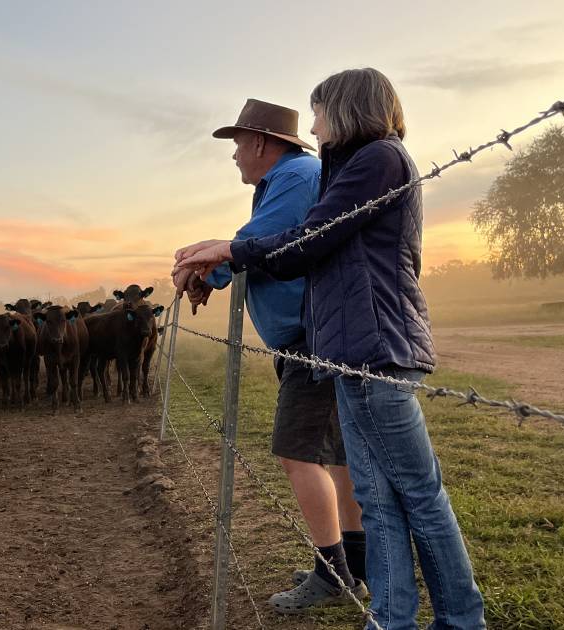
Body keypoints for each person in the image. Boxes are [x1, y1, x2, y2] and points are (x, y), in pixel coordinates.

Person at [173, 69, 486, 630]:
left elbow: (305, 241)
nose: (313, 126)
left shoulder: (377, 161)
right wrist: (229, 255)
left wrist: (225, 252)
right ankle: (393, 618)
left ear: (343, 111)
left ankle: (458, 620)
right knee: (381, 494)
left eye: (318, 113)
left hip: (373, 346)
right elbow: (308, 243)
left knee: (417, 494)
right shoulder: (352, 167)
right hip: (350, 347)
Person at [172, 98, 367, 612]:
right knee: (334, 454)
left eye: (237, 144)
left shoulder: (297, 175)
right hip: (312, 337)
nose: (234, 155)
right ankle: (354, 566)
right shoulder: (284, 181)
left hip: (312, 340)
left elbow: (255, 243)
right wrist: (210, 272)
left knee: (296, 451)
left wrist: (202, 272)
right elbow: (265, 246)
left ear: (260, 142)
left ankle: (334, 573)